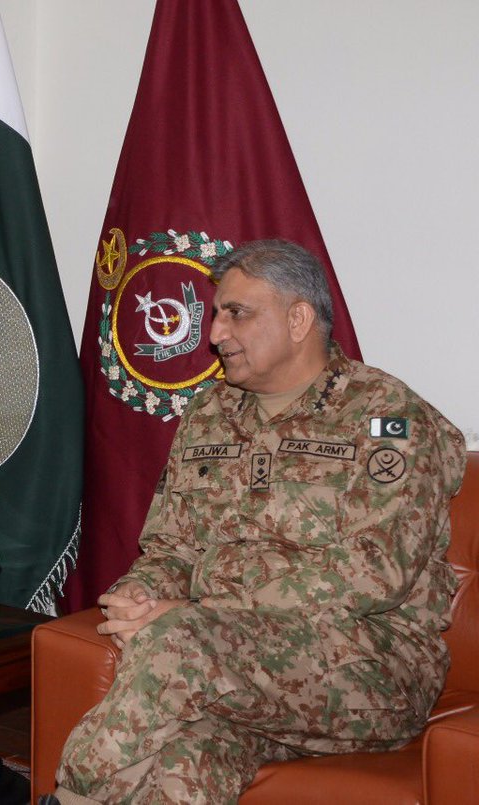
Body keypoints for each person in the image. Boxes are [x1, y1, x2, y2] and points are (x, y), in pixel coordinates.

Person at [50, 240, 466, 804]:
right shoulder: (210, 413)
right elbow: (171, 546)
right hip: (234, 673)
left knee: (179, 640)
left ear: (298, 319)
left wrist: (201, 615)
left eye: (237, 313)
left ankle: (68, 793)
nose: (216, 332)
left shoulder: (386, 418)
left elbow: (373, 573)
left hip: (367, 669)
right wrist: (140, 596)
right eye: (218, 313)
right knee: (187, 761)